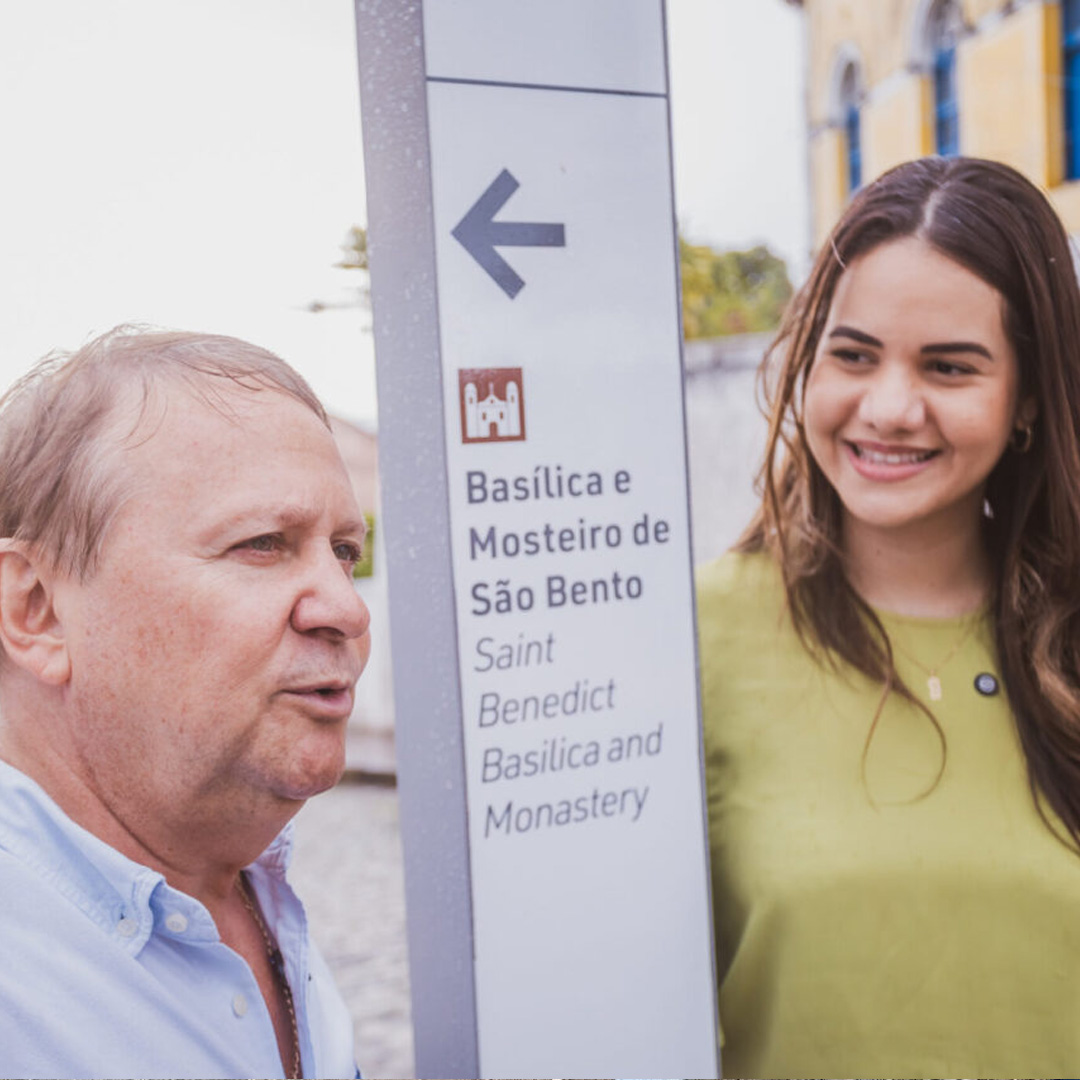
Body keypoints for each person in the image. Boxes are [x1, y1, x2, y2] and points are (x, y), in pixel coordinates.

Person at [697, 156, 1080, 1079]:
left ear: (1028, 398)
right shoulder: (692, 640)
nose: (890, 408)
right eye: (855, 355)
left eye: (949, 367)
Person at [0, 327, 372, 1080]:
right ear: (37, 610)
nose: (347, 607)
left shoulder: (239, 875)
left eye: (344, 551)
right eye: (264, 543)